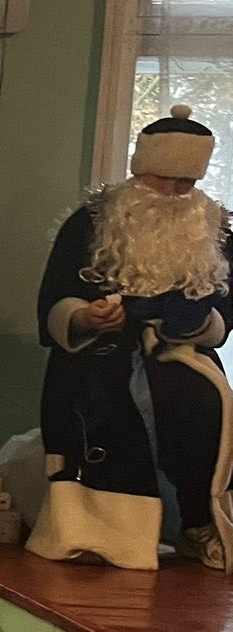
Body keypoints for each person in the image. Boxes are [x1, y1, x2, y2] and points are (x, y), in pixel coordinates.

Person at [30, 104, 233, 572]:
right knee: (101, 407)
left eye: (186, 183)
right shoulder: (90, 222)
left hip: (182, 353)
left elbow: (224, 311)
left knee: (204, 408)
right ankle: (97, 532)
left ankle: (197, 523)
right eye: (163, 180)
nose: (174, 194)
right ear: (140, 172)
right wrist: (86, 316)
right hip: (99, 354)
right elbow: (55, 297)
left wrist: (197, 320)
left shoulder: (216, 229)